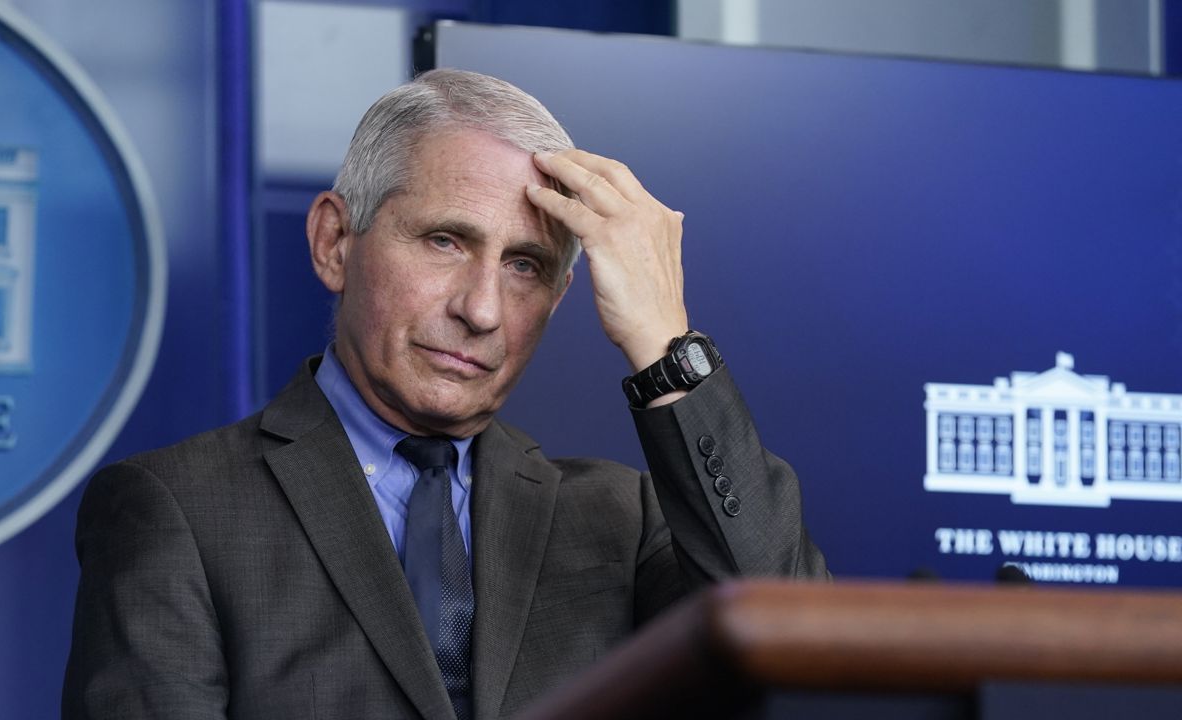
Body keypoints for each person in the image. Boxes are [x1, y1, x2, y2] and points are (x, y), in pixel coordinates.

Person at [62, 68, 827, 720]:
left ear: (561, 297)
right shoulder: (177, 511)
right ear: (335, 241)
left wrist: (666, 344)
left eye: (526, 265)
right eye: (445, 241)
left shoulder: (626, 523)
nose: (482, 309)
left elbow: (791, 647)